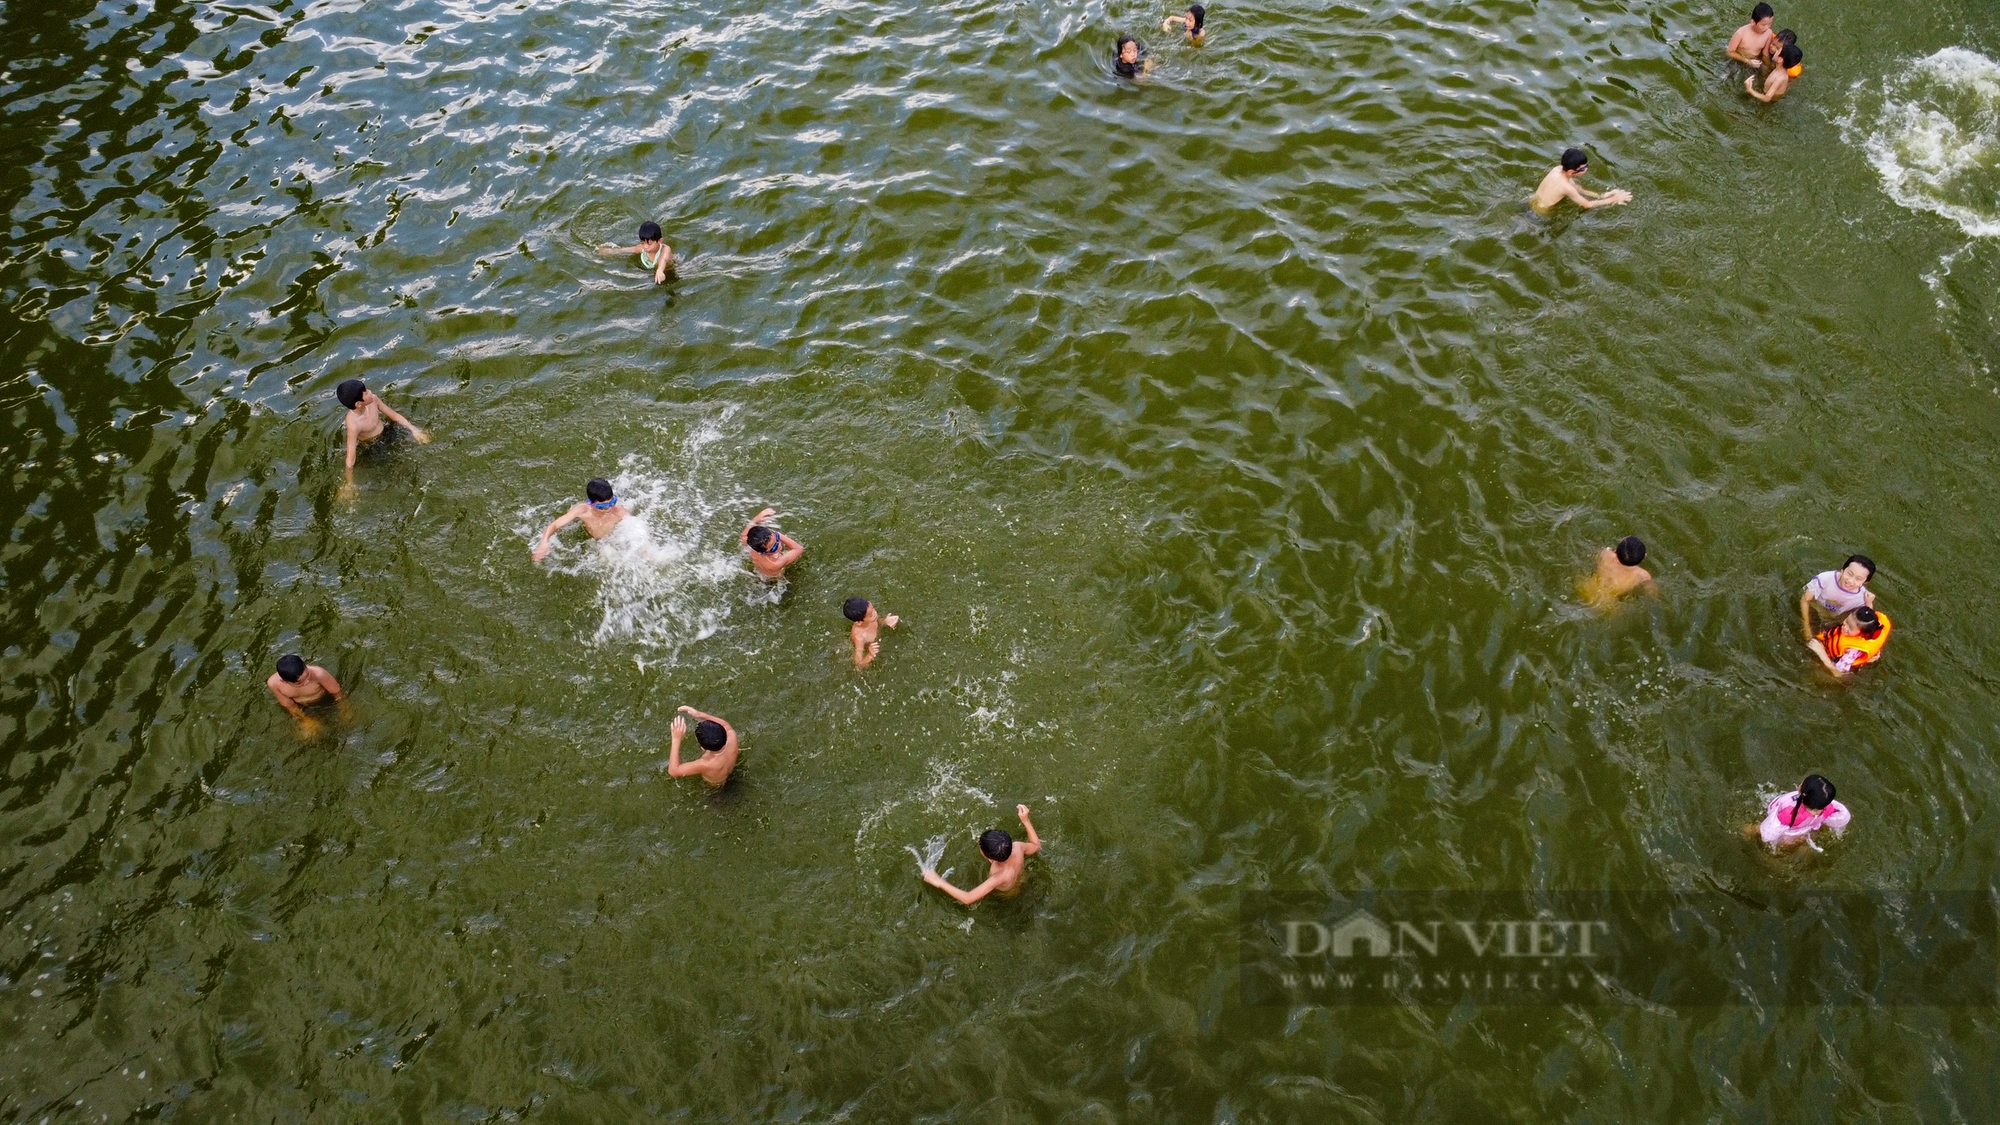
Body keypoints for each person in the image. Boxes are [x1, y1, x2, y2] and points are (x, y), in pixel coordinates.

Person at [922, 805, 1043, 904]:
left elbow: (968, 898)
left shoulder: (999, 876)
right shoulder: (1017, 847)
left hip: (1007, 893)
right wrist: (1026, 820)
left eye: (980, 844)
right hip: (1019, 877)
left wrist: (939, 882)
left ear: (989, 857)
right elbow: (1036, 846)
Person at [338, 378, 430, 494]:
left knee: (415, 450)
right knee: (391, 469)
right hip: (373, 446)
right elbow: (350, 456)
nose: (370, 391)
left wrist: (415, 430)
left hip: (387, 431)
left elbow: (394, 415)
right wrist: (349, 482)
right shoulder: (353, 424)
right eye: (366, 392)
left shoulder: (374, 400)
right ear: (358, 404)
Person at [532, 478, 629, 560]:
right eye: (603, 506)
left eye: (613, 502)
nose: (609, 508)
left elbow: (635, 531)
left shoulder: (620, 512)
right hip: (593, 542)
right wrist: (544, 542)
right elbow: (555, 525)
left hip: (613, 541)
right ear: (591, 503)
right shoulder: (582, 510)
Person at [1749, 774, 1850, 849]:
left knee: (1754, 831)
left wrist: (1754, 830)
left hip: (1787, 836)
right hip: (1806, 830)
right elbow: (1842, 818)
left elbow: (1768, 832)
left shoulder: (1788, 813)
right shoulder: (1830, 808)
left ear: (1800, 789)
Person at [1530, 148, 1633, 215]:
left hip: (1532, 201)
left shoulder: (1557, 169)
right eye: (1583, 169)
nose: (1586, 169)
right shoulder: (1567, 188)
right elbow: (1587, 205)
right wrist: (1613, 199)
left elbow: (1578, 189)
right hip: (1542, 212)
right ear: (1571, 172)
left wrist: (1601, 196)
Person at [1798, 555, 1876, 637]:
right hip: (1813, 610)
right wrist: (1806, 626)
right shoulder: (1825, 579)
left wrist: (1869, 604)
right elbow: (1805, 600)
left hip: (1834, 621)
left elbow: (1865, 623)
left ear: (1865, 582)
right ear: (1842, 570)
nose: (1850, 581)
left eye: (1858, 579)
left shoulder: (1862, 597)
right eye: (1849, 574)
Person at [667, 705, 740, 788]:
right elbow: (725, 725)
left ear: (703, 747)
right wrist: (700, 714)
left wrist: (676, 738)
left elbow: (673, 771)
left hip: (717, 786)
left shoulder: (705, 763)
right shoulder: (732, 736)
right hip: (731, 769)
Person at [266, 654, 344, 732]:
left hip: (326, 701)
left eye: (308, 675)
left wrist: (344, 709)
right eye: (300, 683)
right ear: (284, 681)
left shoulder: (319, 674)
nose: (307, 681)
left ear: (305, 666)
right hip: (304, 708)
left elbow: (337, 692)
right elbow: (289, 705)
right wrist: (305, 720)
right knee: (309, 735)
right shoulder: (274, 684)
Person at [1809, 606, 1891, 676]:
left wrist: (1821, 652)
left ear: (1862, 634)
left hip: (1835, 659)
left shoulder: (1851, 652)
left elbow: (1838, 674)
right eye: (1846, 621)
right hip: (1831, 642)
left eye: (1850, 628)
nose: (1844, 627)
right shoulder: (1870, 622)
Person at [1582, 535, 1655, 606]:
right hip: (1607, 603)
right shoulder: (1642, 575)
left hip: (1586, 588)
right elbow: (1652, 592)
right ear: (1645, 556)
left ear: (1615, 551)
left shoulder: (1605, 554)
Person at [598, 220, 673, 285]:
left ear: (659, 241)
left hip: (668, 271)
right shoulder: (642, 248)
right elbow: (630, 249)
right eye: (643, 243)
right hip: (655, 273)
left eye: (649, 244)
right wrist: (611, 252)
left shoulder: (665, 249)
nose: (645, 246)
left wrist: (660, 270)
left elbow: (664, 259)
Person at [741, 507, 804, 579]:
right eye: (774, 547)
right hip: (773, 581)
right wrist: (778, 535)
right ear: (762, 553)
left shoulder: (752, 545)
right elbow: (799, 549)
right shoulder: (775, 563)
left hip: (760, 570)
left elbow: (743, 536)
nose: (779, 545)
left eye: (777, 538)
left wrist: (756, 519)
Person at [844, 596, 901, 668]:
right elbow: (858, 664)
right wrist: (870, 655)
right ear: (858, 622)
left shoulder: (870, 619)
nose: (875, 613)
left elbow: (877, 622)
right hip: (870, 646)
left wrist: (885, 621)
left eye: (873, 609)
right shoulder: (859, 637)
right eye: (871, 615)